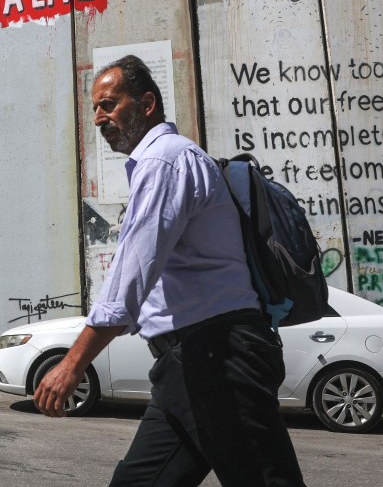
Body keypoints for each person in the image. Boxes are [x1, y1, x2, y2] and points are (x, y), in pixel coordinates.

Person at [34, 55, 305, 487]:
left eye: (109, 104)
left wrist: (73, 363)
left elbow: (129, 280)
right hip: (188, 365)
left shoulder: (165, 162)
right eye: (96, 110)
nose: (100, 118)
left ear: (147, 103)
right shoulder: (163, 162)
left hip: (221, 358)